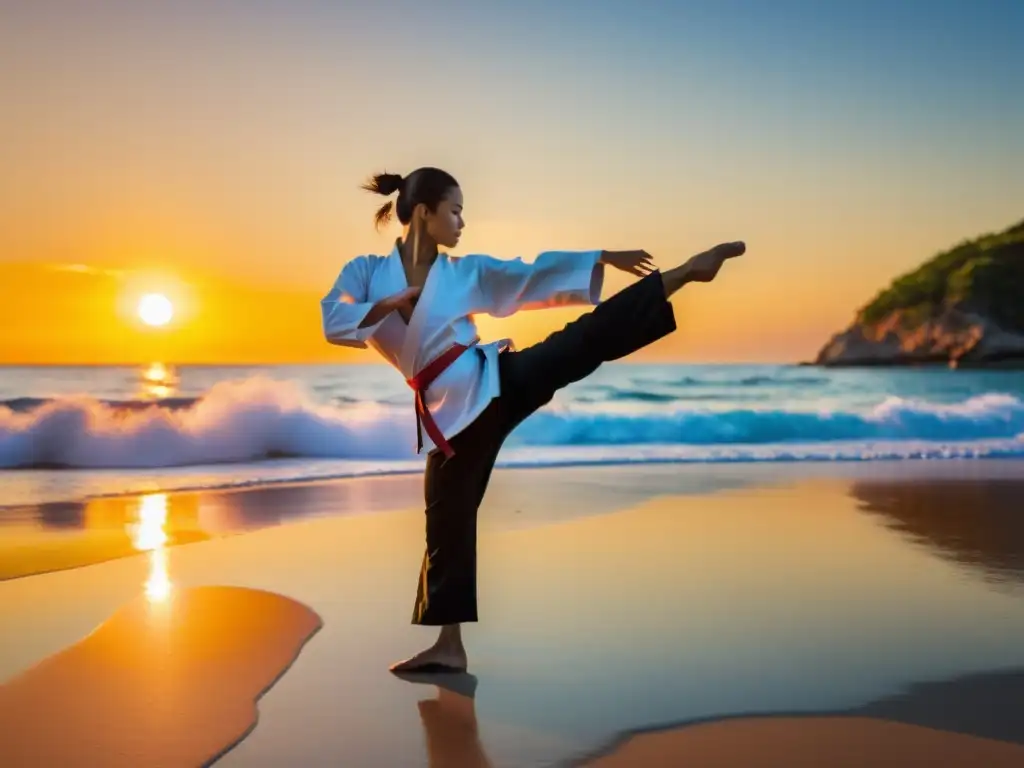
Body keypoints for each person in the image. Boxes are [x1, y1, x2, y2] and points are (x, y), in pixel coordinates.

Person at [321, 166, 745, 672]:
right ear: (423, 213)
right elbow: (333, 319)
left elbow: (528, 275)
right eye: (454, 211)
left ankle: (683, 275)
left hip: (495, 380)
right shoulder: (366, 273)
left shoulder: (464, 272)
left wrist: (602, 258)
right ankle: (449, 647)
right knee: (447, 524)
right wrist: (386, 303)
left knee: (578, 343)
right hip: (451, 419)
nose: (462, 222)